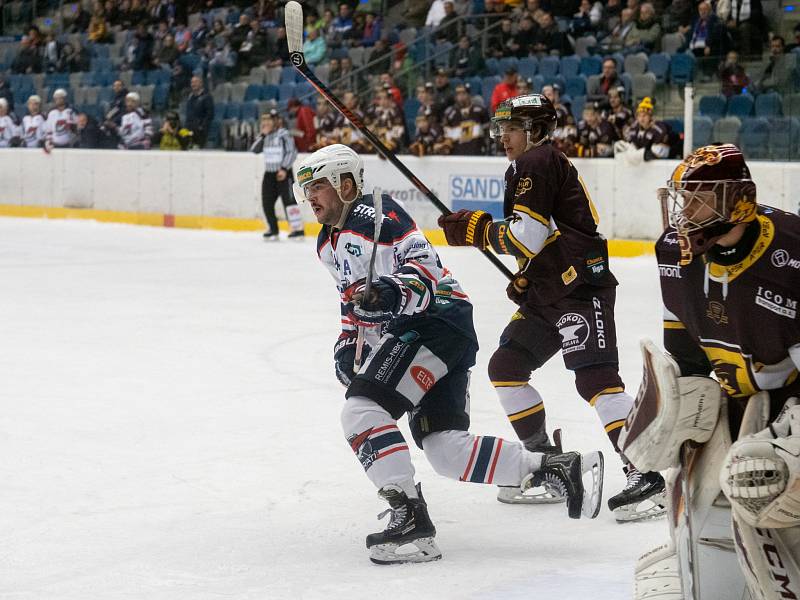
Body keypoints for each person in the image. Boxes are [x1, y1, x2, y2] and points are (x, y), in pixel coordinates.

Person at [296, 143, 604, 564]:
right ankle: (558, 468)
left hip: (432, 323)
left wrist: (390, 291)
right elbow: (351, 300)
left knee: (362, 412)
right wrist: (348, 342)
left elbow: (423, 266)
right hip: (444, 328)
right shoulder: (326, 243)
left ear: (345, 185)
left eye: (318, 186)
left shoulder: (377, 216)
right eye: (306, 188)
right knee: (444, 450)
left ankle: (411, 522)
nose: (310, 196)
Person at [437, 94, 665, 521]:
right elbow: (543, 239)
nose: (503, 136)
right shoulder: (527, 165)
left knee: (596, 378)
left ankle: (646, 471)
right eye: (500, 128)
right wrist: (529, 271)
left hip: (580, 288)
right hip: (550, 289)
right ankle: (547, 464)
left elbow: (527, 236)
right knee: (505, 368)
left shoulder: (537, 161)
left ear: (537, 130)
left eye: (513, 128)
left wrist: (478, 230)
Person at [620, 143, 800, 599]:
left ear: (738, 201)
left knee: (759, 484)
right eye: (685, 196)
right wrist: (679, 409)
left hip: (791, 405)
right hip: (738, 401)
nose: (687, 210)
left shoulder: (791, 255)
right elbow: (683, 351)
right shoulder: (676, 255)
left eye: (702, 197)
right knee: (701, 495)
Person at [250, 111, 304, 240]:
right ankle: (273, 229)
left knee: (289, 202)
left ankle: (297, 230)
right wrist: (263, 135)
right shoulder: (264, 137)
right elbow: (254, 150)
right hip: (269, 173)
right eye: (264, 121)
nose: (266, 123)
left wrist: (284, 168)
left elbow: (292, 152)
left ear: (276, 121)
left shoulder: (284, 134)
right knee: (267, 202)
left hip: (283, 173)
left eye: (269, 120)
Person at [442, 83, 488, 155]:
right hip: (457, 156)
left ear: (469, 95)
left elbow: (488, 134)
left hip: (477, 154)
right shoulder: (449, 114)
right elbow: (447, 137)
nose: (461, 96)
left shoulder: (481, 111)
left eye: (463, 93)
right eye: (458, 94)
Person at [184, 75, 214, 148]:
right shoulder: (190, 97)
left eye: (195, 82)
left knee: (194, 143)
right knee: (180, 134)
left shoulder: (207, 97)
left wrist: (202, 126)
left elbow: (209, 114)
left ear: (201, 83)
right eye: (192, 82)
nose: (193, 84)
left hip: (199, 129)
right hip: (188, 127)